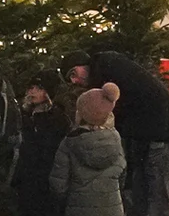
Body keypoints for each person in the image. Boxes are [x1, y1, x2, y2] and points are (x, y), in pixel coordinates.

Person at [63, 51, 169, 216]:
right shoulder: (108, 71)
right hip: (149, 138)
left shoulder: (110, 69)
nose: (75, 81)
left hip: (162, 136)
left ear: (83, 64)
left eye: (73, 73)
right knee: (142, 200)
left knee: (157, 202)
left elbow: (143, 102)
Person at [51, 82, 125, 216]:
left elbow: (59, 185)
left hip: (78, 209)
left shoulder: (70, 143)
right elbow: (122, 176)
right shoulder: (115, 140)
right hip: (112, 209)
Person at [12, 72, 71, 216]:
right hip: (25, 180)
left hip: (46, 179)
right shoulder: (22, 115)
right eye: (30, 87)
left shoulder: (58, 118)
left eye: (38, 88)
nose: (32, 91)